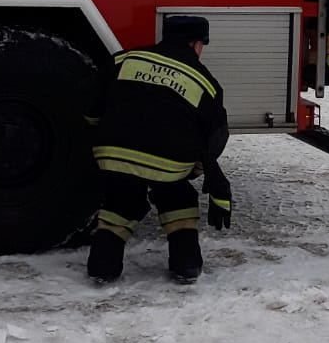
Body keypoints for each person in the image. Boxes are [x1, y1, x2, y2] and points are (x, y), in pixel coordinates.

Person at [86, 14, 231, 284]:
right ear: (196, 44)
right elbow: (216, 138)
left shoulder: (124, 59)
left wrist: (96, 133)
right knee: (178, 197)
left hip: (111, 153)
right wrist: (198, 170)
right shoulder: (205, 82)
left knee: (121, 201)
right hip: (169, 162)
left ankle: (102, 268)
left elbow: (92, 104)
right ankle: (186, 266)